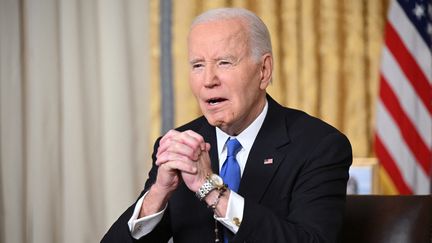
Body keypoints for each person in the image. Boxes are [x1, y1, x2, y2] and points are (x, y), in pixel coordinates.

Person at [102, 7, 352, 243]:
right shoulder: (181, 144)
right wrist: (159, 193)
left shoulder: (319, 146)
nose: (208, 80)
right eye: (198, 65)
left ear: (263, 71)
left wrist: (209, 188)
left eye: (224, 62)